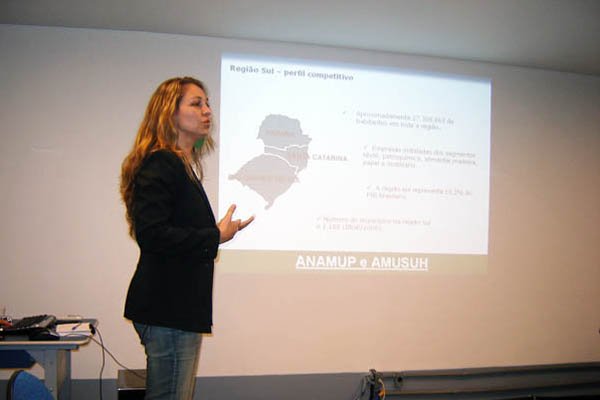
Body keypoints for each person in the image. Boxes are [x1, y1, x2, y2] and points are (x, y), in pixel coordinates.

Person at [120, 76, 253, 400]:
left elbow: (169, 232)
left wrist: (216, 236)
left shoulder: (180, 165)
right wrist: (214, 235)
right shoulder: (161, 162)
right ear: (170, 113)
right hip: (168, 309)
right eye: (197, 103)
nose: (208, 111)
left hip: (175, 311)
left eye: (207, 103)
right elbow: (152, 234)